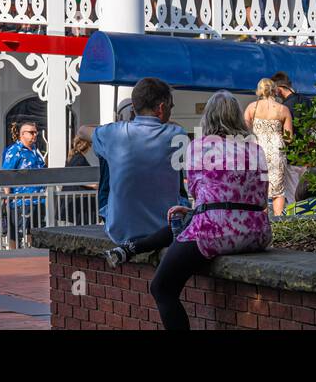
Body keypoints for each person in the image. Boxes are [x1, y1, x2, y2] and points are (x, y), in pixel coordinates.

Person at [105, 91, 272, 331]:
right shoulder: (256, 149)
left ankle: (130, 248)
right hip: (257, 231)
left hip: (216, 232)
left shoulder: (199, 147)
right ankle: (130, 248)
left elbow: (195, 188)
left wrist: (201, 207)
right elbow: (261, 195)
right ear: (237, 117)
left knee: (161, 287)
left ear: (209, 117)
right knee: (185, 219)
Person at [76, 77, 185, 246]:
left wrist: (113, 127)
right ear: (162, 108)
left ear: (134, 107)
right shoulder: (177, 134)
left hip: (120, 232)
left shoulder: (113, 133)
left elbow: (82, 131)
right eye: (171, 107)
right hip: (164, 230)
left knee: (106, 152)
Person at [245, 78, 293, 215]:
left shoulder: (251, 108)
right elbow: (289, 138)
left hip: (257, 149)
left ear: (259, 90)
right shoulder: (283, 109)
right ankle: (278, 222)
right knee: (278, 190)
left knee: (259, 186)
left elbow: (244, 133)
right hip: (276, 150)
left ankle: (261, 220)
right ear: (274, 90)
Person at [0, 121, 46, 246]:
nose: (35, 135)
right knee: (16, 233)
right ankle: (14, 257)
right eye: (31, 132)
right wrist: (7, 197)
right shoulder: (15, 150)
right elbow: (6, 174)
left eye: (36, 132)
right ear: (22, 134)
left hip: (38, 198)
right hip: (21, 200)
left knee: (36, 231)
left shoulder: (36, 150)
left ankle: (33, 255)